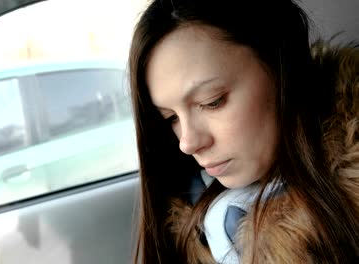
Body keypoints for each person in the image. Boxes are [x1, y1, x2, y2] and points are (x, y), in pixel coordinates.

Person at [127, 0, 359, 263]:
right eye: (170, 118)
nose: (188, 143)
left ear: (282, 69)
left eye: (212, 101)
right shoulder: (192, 217)